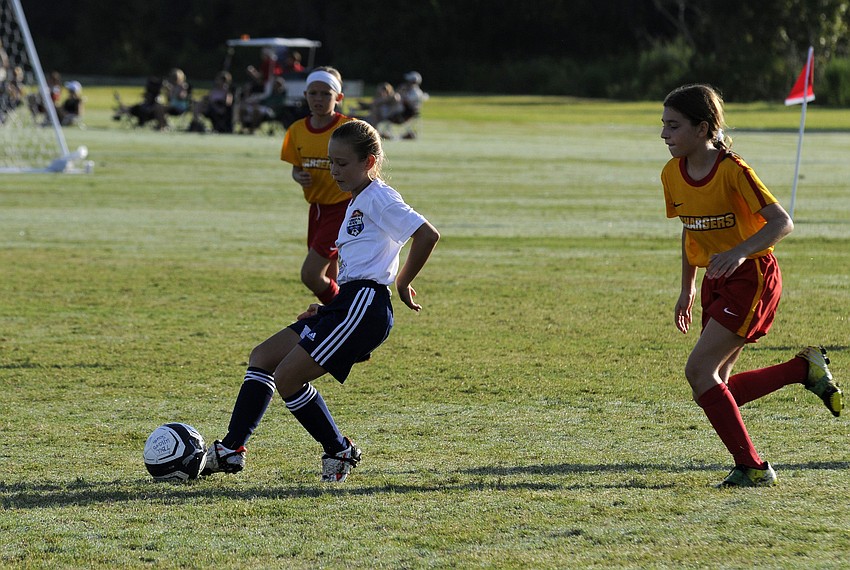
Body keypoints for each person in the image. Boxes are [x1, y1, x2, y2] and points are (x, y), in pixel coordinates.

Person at [202, 119, 440, 482]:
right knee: (263, 357)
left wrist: (403, 282)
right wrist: (328, 307)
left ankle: (339, 451)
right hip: (349, 303)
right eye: (331, 162)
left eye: (343, 163)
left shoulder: (379, 197)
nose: (334, 171)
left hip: (365, 306)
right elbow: (359, 264)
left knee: (288, 379)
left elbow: (426, 234)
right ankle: (232, 450)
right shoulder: (357, 200)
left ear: (370, 162)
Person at [660, 83, 844, 488]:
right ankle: (803, 369)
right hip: (716, 278)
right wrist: (687, 286)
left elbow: (782, 222)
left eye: (673, 126)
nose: (664, 135)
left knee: (699, 372)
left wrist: (741, 252)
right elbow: (691, 232)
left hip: (752, 277)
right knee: (718, 388)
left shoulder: (733, 171)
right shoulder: (672, 174)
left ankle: (754, 467)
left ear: (702, 127)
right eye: (663, 125)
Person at [280, 67, 354, 304]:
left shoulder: (349, 129)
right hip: (317, 210)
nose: (318, 99)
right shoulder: (297, 130)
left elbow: (369, 164)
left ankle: (343, 313)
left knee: (311, 274)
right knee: (328, 275)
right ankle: (337, 321)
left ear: (338, 98)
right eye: (313, 93)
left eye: (325, 94)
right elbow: (296, 167)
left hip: (341, 208)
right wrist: (298, 176)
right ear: (305, 95)